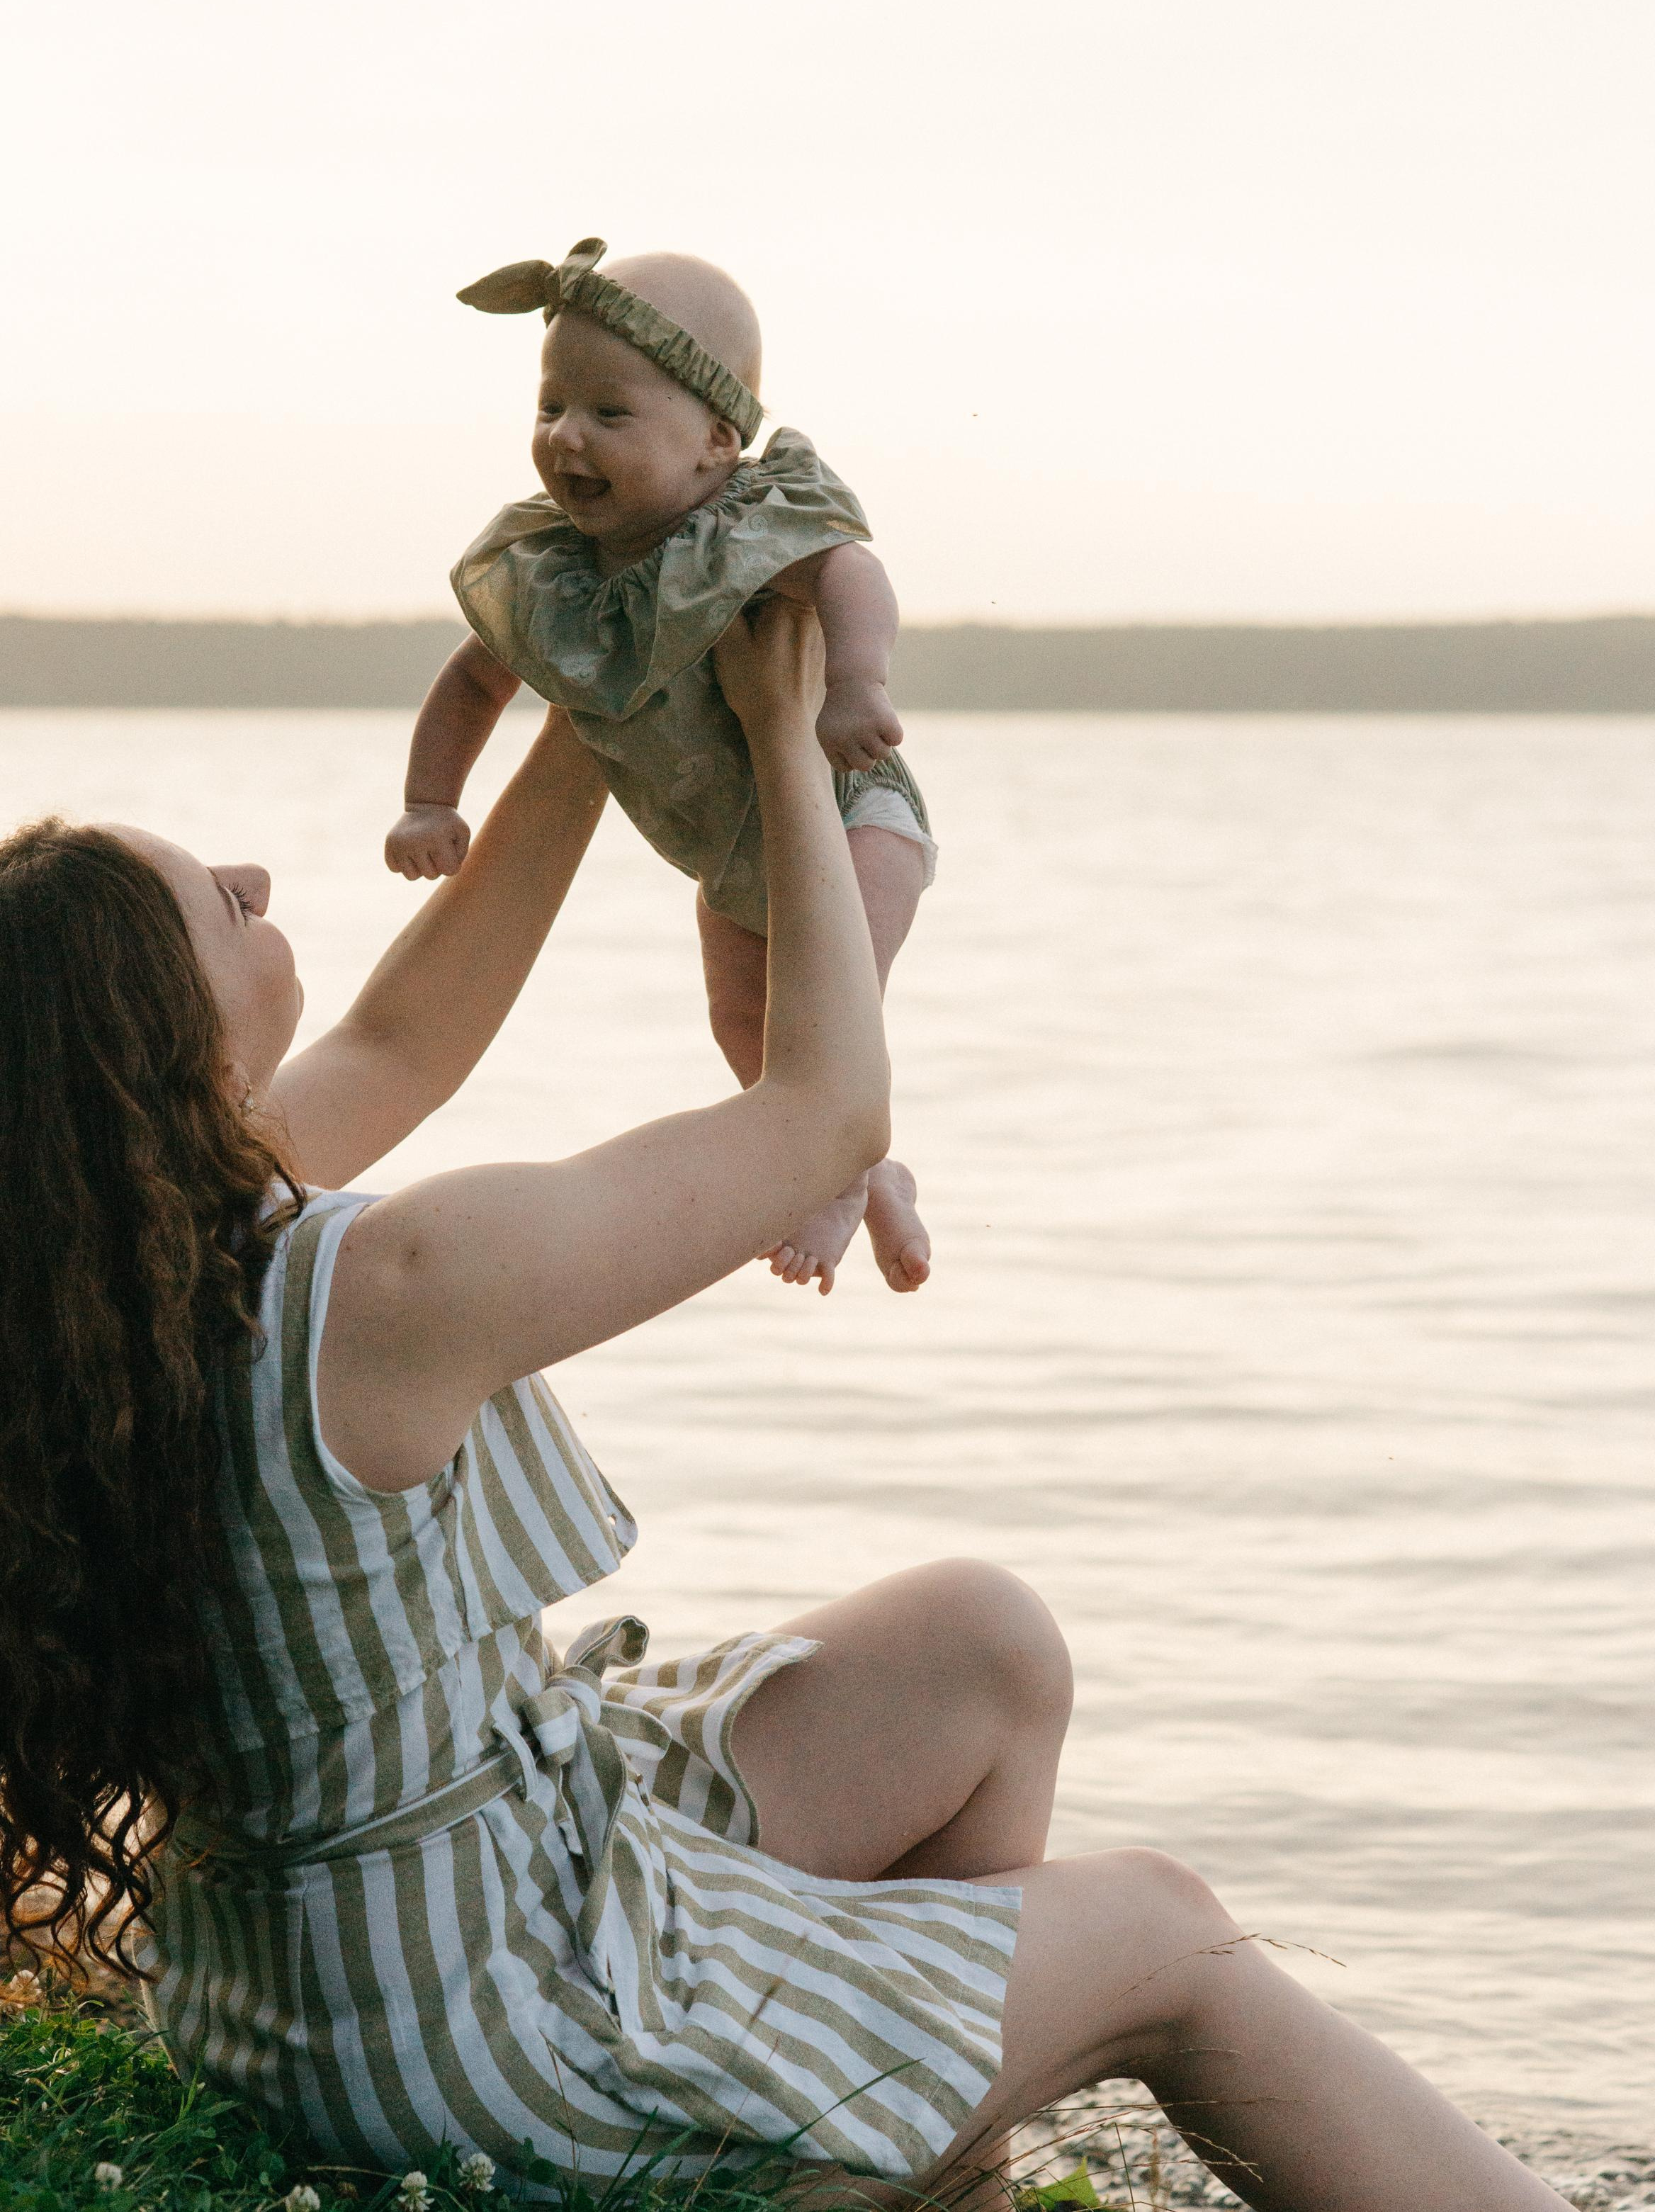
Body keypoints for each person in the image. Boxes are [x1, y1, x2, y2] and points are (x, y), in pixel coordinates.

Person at [0, 610, 1566, 2211]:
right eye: (213, 898)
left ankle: (922, 2180)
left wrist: (603, 694)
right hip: (493, 2027)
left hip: (328, 1984)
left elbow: (406, 1034)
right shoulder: (386, 1284)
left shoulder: (107, 1268)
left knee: (980, 1642)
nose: (255, 880)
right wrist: (780, 738)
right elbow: (823, 1115)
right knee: (1172, 1932)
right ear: (158, 1039)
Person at [385, 233, 931, 1297]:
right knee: (745, 1028)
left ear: (717, 442)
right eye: (552, 408)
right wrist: (428, 801)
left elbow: (853, 570)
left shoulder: (750, 526)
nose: (566, 438)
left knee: (834, 1008)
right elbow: (471, 684)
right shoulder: (555, 580)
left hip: (855, 810)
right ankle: (868, 1173)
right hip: (729, 866)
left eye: (610, 413)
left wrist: (860, 684)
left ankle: (829, 1176)